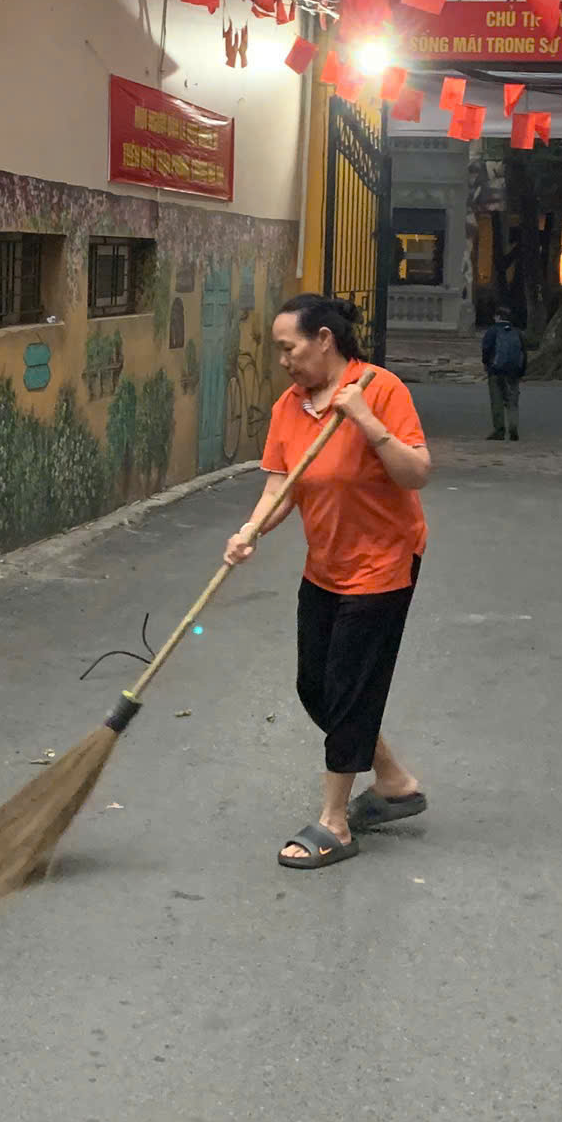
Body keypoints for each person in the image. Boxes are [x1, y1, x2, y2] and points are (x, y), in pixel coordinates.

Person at [225, 295, 433, 869]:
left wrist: (366, 422)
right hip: (327, 564)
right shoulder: (288, 407)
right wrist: (250, 531)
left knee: (346, 686)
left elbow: (417, 471)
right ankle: (392, 781)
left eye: (288, 348)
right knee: (314, 685)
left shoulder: (382, 390)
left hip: (384, 563)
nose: (283, 361)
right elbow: (279, 489)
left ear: (323, 339)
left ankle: (335, 822)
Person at [481, 305, 527, 441]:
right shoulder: (517, 332)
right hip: (513, 371)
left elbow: (486, 349)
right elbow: (523, 353)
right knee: (512, 401)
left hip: (496, 371)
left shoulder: (492, 331)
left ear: (498, 316)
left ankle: (499, 430)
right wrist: (521, 371)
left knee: (497, 401)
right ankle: (513, 427)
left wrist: (486, 364)